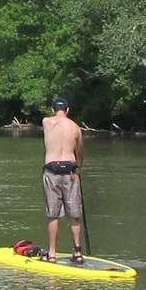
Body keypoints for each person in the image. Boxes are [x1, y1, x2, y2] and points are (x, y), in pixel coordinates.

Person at [41, 97, 86, 262]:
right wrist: (79, 167)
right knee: (74, 214)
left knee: (53, 214)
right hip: (71, 171)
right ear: (68, 110)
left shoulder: (47, 122)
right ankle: (77, 252)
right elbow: (79, 151)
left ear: (53, 110)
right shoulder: (75, 128)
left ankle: (52, 253)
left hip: (51, 169)